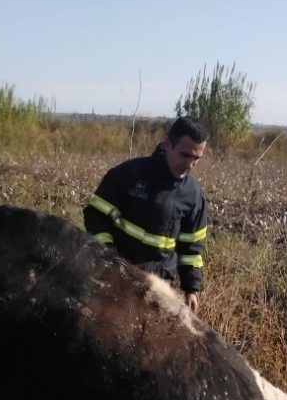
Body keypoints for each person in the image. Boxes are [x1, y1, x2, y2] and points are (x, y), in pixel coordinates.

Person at [84, 116, 208, 313]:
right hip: (117, 278)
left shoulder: (193, 195)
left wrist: (191, 288)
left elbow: (191, 247)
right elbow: (96, 216)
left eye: (197, 158)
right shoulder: (128, 174)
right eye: (185, 155)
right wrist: (109, 257)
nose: (190, 164)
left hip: (159, 289)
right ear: (168, 145)